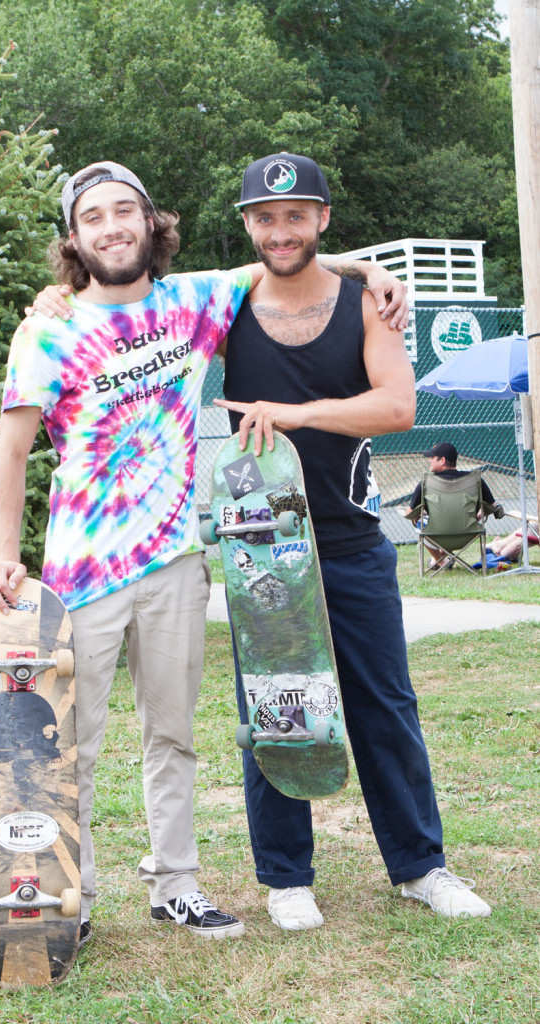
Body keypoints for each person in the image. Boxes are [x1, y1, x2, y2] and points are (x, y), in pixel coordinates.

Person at [0, 159, 408, 946]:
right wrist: (7, 555)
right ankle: (77, 898)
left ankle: (176, 887)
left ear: (150, 221)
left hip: (174, 563)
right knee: (74, 747)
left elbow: (287, 254)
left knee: (171, 737)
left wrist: (370, 267)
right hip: (83, 574)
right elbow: (10, 451)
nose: (112, 226)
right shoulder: (49, 328)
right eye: (93, 216)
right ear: (74, 236)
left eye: (125, 211)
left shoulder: (193, 300)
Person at [213, 152, 491, 927]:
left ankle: (420, 867)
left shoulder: (362, 305)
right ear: (246, 225)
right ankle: (285, 879)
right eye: (264, 217)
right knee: (276, 705)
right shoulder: (226, 305)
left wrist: (296, 413)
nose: (280, 230)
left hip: (349, 540)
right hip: (260, 547)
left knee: (384, 707)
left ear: (322, 218)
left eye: (297, 215)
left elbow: (397, 407)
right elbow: (136, 313)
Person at [408, 442, 498, 569]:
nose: (429, 461)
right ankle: (441, 558)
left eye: (432, 458)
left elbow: (408, 513)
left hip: (436, 533)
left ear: (442, 460)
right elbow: (493, 506)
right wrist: (480, 514)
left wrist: (418, 513)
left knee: (418, 520)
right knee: (448, 520)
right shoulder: (475, 479)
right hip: (468, 532)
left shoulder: (426, 482)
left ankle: (440, 562)